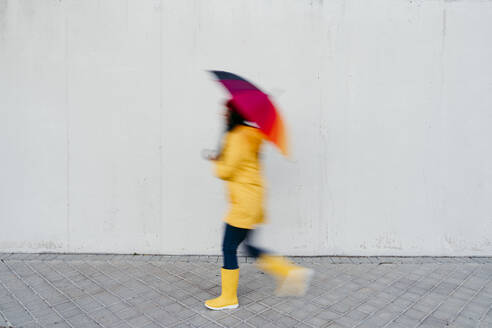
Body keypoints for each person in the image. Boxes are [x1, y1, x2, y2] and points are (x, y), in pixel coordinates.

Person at [203, 100, 313, 311]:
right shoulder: (249, 135)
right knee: (249, 246)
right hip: (252, 199)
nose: (222, 115)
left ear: (234, 115)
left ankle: (228, 298)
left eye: (226, 112)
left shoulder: (235, 138)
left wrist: (217, 160)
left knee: (228, 247)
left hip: (243, 203)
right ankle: (289, 272)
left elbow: (225, 171)